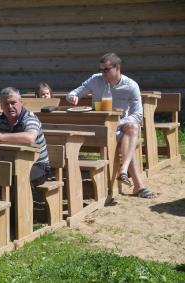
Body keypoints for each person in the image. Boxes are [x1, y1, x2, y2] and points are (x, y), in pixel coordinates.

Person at [66, 53, 156, 199]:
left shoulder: (131, 85)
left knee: (133, 127)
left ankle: (125, 172)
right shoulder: (96, 79)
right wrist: (72, 96)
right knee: (128, 141)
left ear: (117, 68)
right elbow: (76, 92)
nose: (102, 73)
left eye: (106, 70)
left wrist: (116, 122)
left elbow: (138, 115)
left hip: (120, 127)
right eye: (101, 69)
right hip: (99, 127)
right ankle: (136, 184)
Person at [0, 87, 51, 189]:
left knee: (17, 180)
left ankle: (15, 204)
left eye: (13, 103)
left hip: (38, 166)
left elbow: (30, 137)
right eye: (6, 104)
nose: (10, 106)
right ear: (1, 106)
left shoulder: (30, 117)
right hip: (9, 164)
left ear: (20, 102)